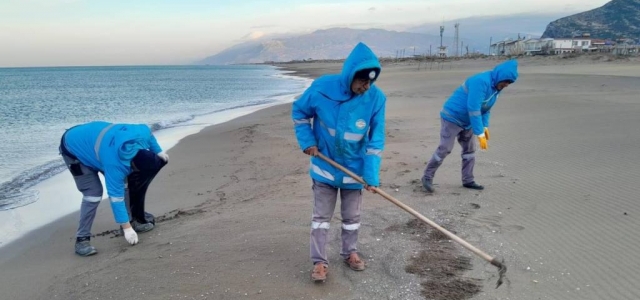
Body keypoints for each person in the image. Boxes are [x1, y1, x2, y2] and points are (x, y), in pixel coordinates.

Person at [291, 42, 386, 282]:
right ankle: (319, 262)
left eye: (370, 83)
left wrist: (371, 176)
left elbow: (376, 140)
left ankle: (349, 252)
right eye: (362, 82)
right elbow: (300, 113)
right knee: (321, 218)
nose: (365, 88)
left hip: (354, 170)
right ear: (350, 75)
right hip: (324, 167)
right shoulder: (322, 88)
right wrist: (308, 141)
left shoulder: (376, 98)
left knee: (352, 219)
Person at [59, 121, 169, 256]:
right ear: (132, 166)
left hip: (96, 143)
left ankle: (132, 222)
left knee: (125, 186)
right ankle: (82, 240)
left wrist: (158, 151)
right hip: (73, 148)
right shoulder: (115, 166)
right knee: (93, 194)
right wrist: (126, 228)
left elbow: (150, 136)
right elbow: (115, 197)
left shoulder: (142, 133)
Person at [421, 59, 518, 193]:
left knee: (470, 151)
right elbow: (474, 108)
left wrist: (485, 127)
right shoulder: (481, 81)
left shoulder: (496, 88)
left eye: (509, 83)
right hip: (452, 117)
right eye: (506, 81)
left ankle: (468, 180)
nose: (507, 85)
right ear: (500, 76)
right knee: (445, 148)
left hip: (468, 122)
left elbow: (486, 108)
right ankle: (427, 177)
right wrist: (479, 133)